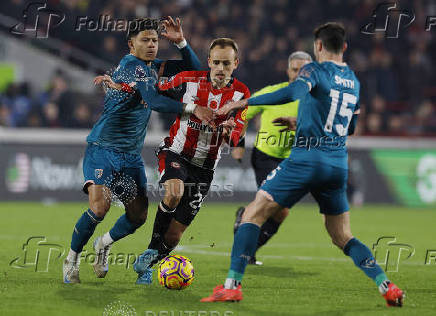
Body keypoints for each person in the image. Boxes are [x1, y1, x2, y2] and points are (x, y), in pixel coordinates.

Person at [201, 22, 404, 307]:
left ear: (318, 47)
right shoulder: (354, 81)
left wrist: (242, 103)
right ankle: (387, 286)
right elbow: (350, 127)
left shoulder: (313, 70)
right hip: (336, 166)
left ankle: (232, 286)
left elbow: (293, 93)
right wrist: (303, 122)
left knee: (251, 214)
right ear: (344, 47)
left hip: (306, 160)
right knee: (342, 235)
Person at [63, 17, 213, 283]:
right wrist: (191, 108)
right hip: (103, 149)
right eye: (146, 40)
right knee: (99, 208)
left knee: (137, 217)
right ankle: (72, 260)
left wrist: (180, 42)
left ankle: (103, 244)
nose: (152, 44)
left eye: (155, 40)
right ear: (131, 44)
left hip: (130, 156)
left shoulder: (152, 67)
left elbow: (196, 71)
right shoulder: (132, 66)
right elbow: (154, 100)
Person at [132, 38, 250, 285]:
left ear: (235, 64)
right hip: (176, 152)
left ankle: (148, 262)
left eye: (225, 63)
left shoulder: (241, 94)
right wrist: (128, 86)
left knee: (174, 236)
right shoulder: (189, 79)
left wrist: (230, 132)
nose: (220, 68)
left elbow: (238, 133)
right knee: (174, 192)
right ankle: (151, 254)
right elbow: (156, 95)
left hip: (205, 169)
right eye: (215, 62)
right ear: (208, 61)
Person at [232, 51, 312, 265]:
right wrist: (238, 144)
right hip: (266, 157)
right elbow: (242, 114)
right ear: (288, 71)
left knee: (280, 213)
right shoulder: (274, 93)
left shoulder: (316, 101)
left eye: (304, 71)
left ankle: (247, 244)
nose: (299, 75)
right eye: (296, 70)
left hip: (293, 161)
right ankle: (243, 250)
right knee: (277, 207)